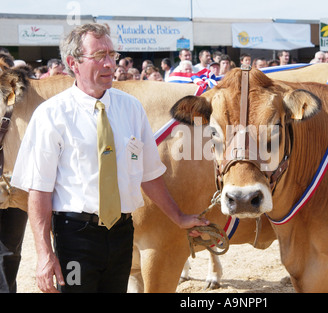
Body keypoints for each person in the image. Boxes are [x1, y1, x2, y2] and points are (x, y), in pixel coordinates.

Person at [11, 23, 208, 293]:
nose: (109, 64)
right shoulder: (51, 115)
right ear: (73, 63)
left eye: (112, 55)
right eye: (99, 56)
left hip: (122, 234)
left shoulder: (131, 109)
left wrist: (179, 217)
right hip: (75, 237)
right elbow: (39, 190)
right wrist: (44, 254)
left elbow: (149, 175)